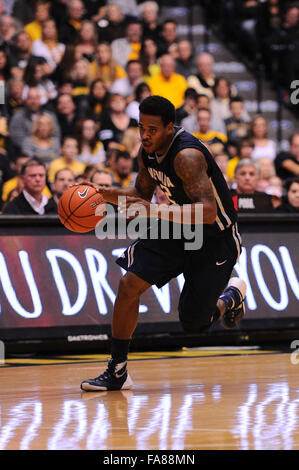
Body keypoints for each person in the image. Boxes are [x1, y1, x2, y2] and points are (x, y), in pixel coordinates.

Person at [79, 95, 246, 392]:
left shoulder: (187, 156)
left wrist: (153, 211)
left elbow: (207, 212)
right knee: (129, 285)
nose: (144, 134)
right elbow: (141, 194)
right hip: (179, 227)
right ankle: (117, 371)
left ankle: (232, 295)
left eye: (152, 129)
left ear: (170, 128)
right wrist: (103, 193)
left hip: (215, 239)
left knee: (194, 323)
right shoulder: (147, 152)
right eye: (141, 127)